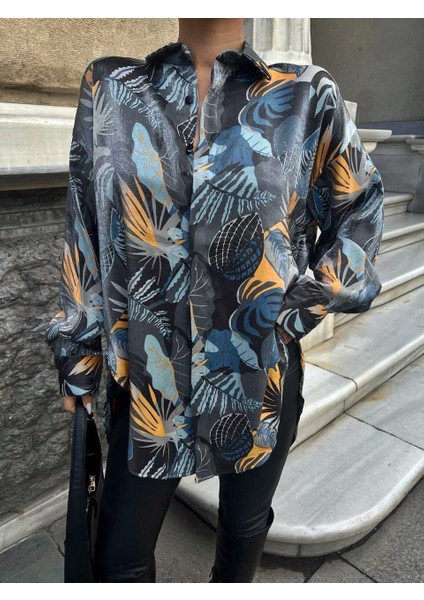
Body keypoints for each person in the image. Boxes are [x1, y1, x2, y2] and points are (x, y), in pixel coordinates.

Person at [45, 18, 385, 583]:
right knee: (118, 559)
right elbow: (85, 226)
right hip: (148, 377)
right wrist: (78, 353)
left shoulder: (306, 96)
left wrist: (297, 305)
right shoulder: (112, 89)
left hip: (260, 373)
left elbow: (361, 207)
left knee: (243, 534)